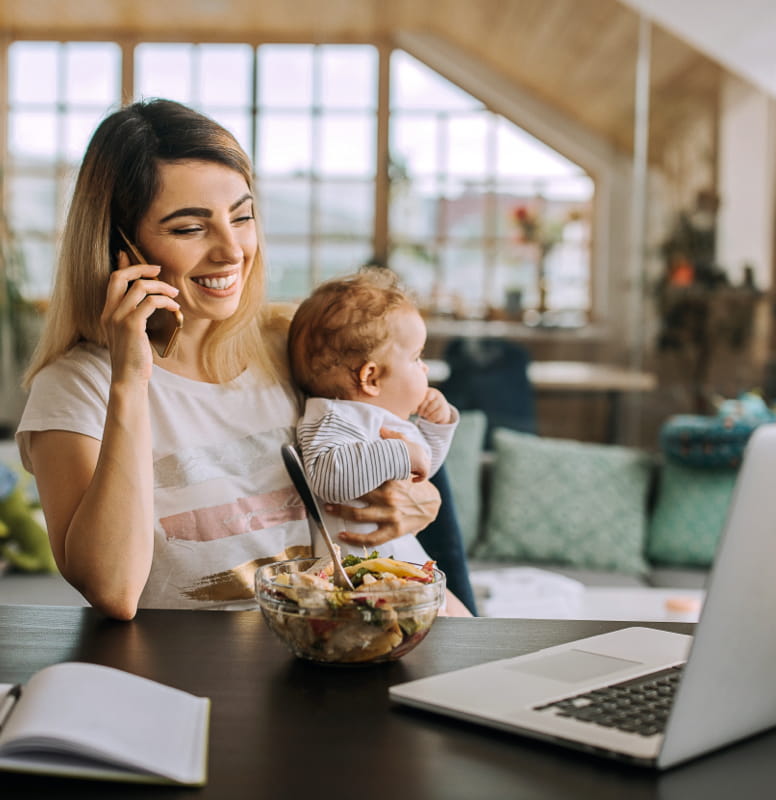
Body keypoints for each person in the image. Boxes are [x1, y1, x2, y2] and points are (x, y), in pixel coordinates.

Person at [14, 98, 459, 620]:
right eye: (189, 228)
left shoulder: (292, 343)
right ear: (121, 247)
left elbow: (399, 451)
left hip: (356, 645)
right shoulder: (75, 388)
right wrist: (131, 381)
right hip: (219, 679)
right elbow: (113, 590)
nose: (231, 251)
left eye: (242, 217)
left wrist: (420, 501)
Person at [287, 270, 459, 570]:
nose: (425, 369)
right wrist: (402, 452)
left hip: (392, 561)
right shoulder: (333, 416)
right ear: (371, 377)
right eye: (416, 358)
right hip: (354, 572)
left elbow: (422, 470)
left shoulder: (381, 417)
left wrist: (436, 426)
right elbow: (327, 477)